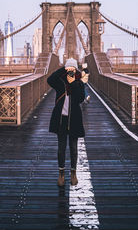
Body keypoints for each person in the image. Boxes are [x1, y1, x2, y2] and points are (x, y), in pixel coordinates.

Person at [47, 58, 85, 187]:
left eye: (72, 69)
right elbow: (49, 80)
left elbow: (80, 98)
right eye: (69, 69)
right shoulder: (60, 82)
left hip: (74, 119)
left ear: (76, 70)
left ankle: (73, 173)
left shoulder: (79, 82)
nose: (70, 72)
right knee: (61, 149)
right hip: (61, 119)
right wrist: (63, 69)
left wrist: (73, 83)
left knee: (73, 149)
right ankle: (61, 174)